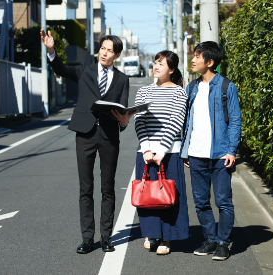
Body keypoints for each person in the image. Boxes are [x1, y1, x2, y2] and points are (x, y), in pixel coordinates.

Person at [40, 30, 135, 254]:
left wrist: (124, 122)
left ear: (117, 55)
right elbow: (61, 70)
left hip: (110, 135)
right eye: (102, 48)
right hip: (85, 133)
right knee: (86, 188)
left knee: (108, 187)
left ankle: (106, 237)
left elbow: (122, 111)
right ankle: (87, 238)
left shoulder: (122, 79)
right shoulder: (85, 70)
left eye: (109, 50)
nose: (104, 53)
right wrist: (51, 50)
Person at [180, 41, 242, 261]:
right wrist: (186, 150)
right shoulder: (191, 87)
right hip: (196, 154)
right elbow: (188, 121)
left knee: (223, 201)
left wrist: (231, 150)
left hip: (220, 154)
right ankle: (211, 239)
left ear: (210, 61)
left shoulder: (227, 87)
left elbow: (235, 120)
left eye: (198, 56)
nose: (193, 60)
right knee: (201, 201)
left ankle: (224, 242)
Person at [134, 50, 189, 255]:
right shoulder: (143, 91)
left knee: (169, 196)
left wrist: (162, 150)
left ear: (172, 69)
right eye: (155, 62)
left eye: (161, 64)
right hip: (146, 152)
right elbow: (139, 120)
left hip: (170, 152)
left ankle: (167, 239)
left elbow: (176, 123)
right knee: (148, 195)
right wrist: (147, 148)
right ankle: (151, 234)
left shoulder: (179, 92)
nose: (156, 67)